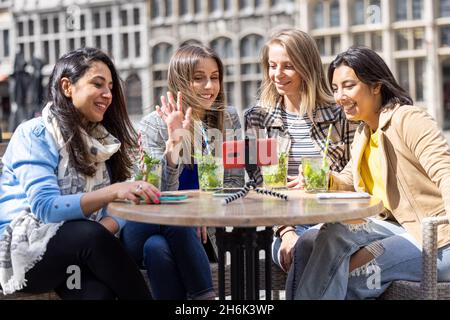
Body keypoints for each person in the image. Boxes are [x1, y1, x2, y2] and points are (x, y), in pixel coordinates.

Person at [286, 46, 450, 300]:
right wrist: (325, 179)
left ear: (376, 86)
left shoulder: (408, 119)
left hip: (434, 239)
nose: (339, 96)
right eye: (336, 88)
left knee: (352, 275)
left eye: (348, 85)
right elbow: (349, 180)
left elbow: (445, 171)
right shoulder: (364, 133)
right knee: (309, 240)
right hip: (393, 227)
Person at [0, 47, 155, 300]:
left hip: (78, 252)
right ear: (67, 87)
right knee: (88, 234)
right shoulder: (35, 133)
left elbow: (120, 207)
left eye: (111, 87)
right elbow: (46, 208)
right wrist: (111, 195)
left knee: (99, 294)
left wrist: (106, 225)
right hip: (23, 251)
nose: (108, 94)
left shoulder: (101, 141)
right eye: (98, 84)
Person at [120, 44, 244, 300]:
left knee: (157, 249)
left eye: (214, 77)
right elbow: (155, 196)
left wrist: (205, 211)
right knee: (176, 222)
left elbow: (235, 183)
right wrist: (174, 146)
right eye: (199, 78)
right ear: (180, 80)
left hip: (200, 234)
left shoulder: (228, 119)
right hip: (145, 225)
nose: (209, 86)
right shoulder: (154, 125)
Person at [244, 28, 357, 273]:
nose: (277, 74)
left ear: (307, 67)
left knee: (313, 250)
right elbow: (260, 186)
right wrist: (286, 232)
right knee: (303, 250)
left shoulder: (341, 116)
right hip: (283, 226)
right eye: (272, 66)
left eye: (288, 66)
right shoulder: (257, 118)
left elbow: (354, 179)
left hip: (335, 222)